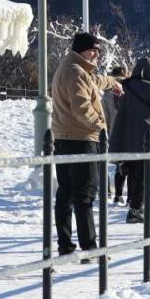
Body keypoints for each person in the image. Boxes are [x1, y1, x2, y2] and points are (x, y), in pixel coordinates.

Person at [51, 33, 123, 262]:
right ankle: (90, 248)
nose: (97, 55)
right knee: (85, 194)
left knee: (66, 193)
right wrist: (101, 127)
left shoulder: (74, 68)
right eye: (93, 50)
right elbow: (82, 108)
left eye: (99, 52)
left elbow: (97, 81)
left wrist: (115, 82)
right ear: (81, 49)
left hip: (64, 138)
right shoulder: (76, 72)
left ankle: (65, 245)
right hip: (82, 139)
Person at [109, 58, 150, 224]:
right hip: (145, 136)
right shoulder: (149, 87)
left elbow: (118, 106)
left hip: (127, 135)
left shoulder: (125, 86)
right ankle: (137, 209)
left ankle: (133, 205)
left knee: (133, 173)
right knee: (143, 174)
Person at [104, 66, 127, 205]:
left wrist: (107, 129)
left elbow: (105, 115)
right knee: (131, 163)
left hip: (114, 131)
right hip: (129, 130)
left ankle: (117, 194)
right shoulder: (129, 89)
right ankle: (130, 196)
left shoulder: (107, 93)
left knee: (119, 163)